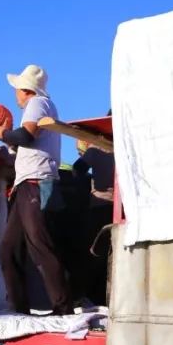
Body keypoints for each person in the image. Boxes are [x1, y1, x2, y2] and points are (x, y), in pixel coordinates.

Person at [0, 64, 73, 315]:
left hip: (36, 182)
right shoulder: (40, 106)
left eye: (17, 89)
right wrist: (7, 138)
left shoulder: (37, 103)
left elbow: (26, 136)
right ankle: (19, 308)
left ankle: (63, 307)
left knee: (39, 245)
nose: (15, 94)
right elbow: (24, 143)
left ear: (26, 90)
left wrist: (4, 133)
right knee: (8, 249)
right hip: (26, 184)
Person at [71, 112, 115, 306]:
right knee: (114, 254)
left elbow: (77, 169)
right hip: (121, 210)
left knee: (95, 252)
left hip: (99, 206)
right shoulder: (128, 146)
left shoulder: (96, 147)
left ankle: (93, 296)